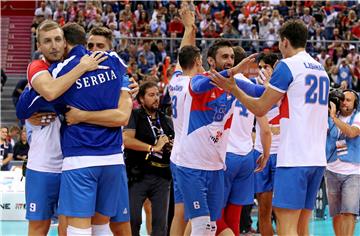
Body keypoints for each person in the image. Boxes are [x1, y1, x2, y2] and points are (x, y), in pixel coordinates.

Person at [209, 19, 330, 236]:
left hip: (294, 158)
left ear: (285, 42)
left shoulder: (288, 65)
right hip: (317, 158)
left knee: (286, 226)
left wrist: (233, 89)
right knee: (303, 227)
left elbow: (261, 106)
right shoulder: (321, 69)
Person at [16, 22, 133, 235]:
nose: (54, 46)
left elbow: (122, 112)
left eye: (57, 39)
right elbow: (28, 105)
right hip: (47, 163)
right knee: (41, 226)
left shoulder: (89, 65)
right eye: (47, 41)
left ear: (66, 42)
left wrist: (124, 87)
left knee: (69, 227)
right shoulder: (40, 68)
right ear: (39, 46)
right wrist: (82, 67)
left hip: (76, 160)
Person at [216, 48, 272, 236]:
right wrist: (265, 154)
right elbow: (265, 129)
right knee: (234, 218)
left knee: (214, 216)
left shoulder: (220, 83)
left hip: (224, 155)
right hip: (246, 155)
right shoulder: (253, 88)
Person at [123, 81, 174, 236]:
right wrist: (154, 147)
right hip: (138, 175)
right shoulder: (135, 115)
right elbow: (126, 140)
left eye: (157, 94)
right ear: (141, 99)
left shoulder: (166, 119)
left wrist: (171, 145)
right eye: (151, 95)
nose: (156, 98)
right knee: (133, 220)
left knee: (161, 224)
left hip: (162, 177)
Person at [167, 7, 197, 236]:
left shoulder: (175, 81)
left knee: (181, 211)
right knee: (198, 213)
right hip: (191, 158)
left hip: (177, 154)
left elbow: (184, 55)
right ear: (197, 61)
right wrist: (191, 28)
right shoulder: (195, 85)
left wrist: (189, 28)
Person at [326, 89, 360, 236]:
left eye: (348, 100)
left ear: (355, 103)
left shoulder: (358, 116)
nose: (344, 102)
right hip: (331, 169)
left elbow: (352, 132)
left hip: (353, 171)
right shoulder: (329, 117)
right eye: (342, 99)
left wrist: (333, 117)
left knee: (349, 211)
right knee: (336, 213)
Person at [253, 53, 280, 236]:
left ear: (274, 67)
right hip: (260, 151)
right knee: (264, 211)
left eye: (266, 67)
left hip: (282, 154)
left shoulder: (285, 88)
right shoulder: (253, 88)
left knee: (282, 211)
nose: (262, 70)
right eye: (260, 67)